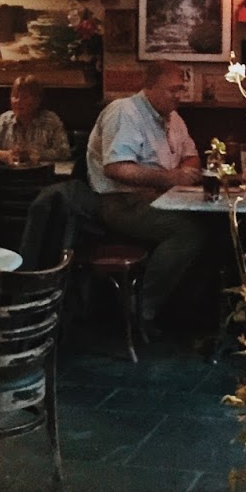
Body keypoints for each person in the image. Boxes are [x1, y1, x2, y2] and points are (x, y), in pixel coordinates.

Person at [86, 59, 210, 332]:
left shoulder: (173, 118)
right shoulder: (124, 112)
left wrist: (183, 174)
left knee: (214, 226)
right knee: (188, 232)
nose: (179, 96)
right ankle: (141, 307)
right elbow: (116, 168)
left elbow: (192, 157)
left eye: (181, 89)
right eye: (173, 90)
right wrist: (170, 178)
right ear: (150, 86)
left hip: (161, 198)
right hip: (121, 202)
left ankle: (190, 311)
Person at [0, 76, 70, 166]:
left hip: (40, 172)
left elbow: (64, 152)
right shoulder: (4, 120)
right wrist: (6, 154)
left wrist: (34, 154)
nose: (18, 101)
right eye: (15, 96)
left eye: (24, 97)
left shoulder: (50, 121)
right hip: (9, 172)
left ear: (37, 101)